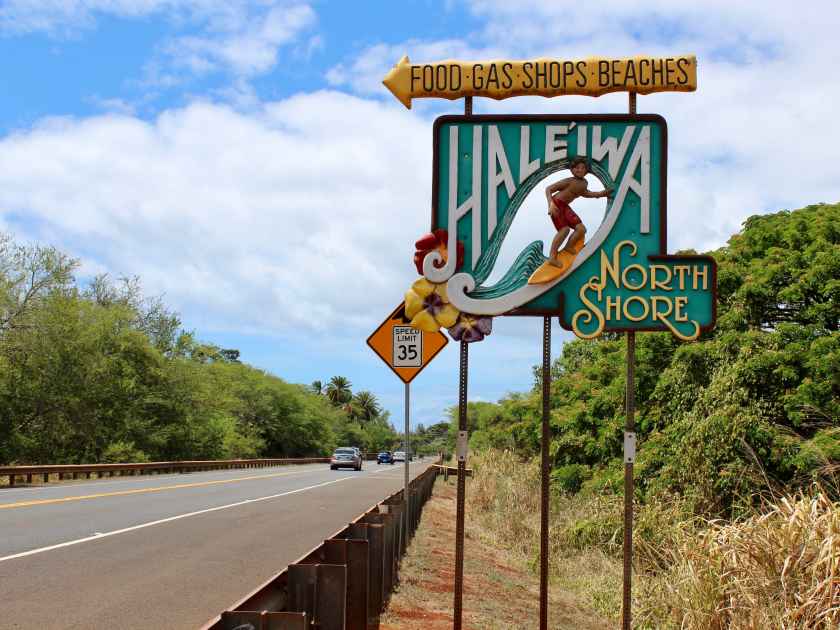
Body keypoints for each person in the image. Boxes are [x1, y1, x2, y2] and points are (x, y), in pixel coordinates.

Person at [544, 157, 612, 269]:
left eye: (582, 168)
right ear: (572, 170)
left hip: (565, 207)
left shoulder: (584, 183)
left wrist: (602, 194)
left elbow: (586, 193)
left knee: (581, 229)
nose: (579, 170)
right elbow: (549, 189)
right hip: (556, 205)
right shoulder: (569, 181)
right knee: (564, 230)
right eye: (576, 168)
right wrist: (550, 204)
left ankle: (568, 246)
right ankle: (552, 257)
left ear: (586, 170)